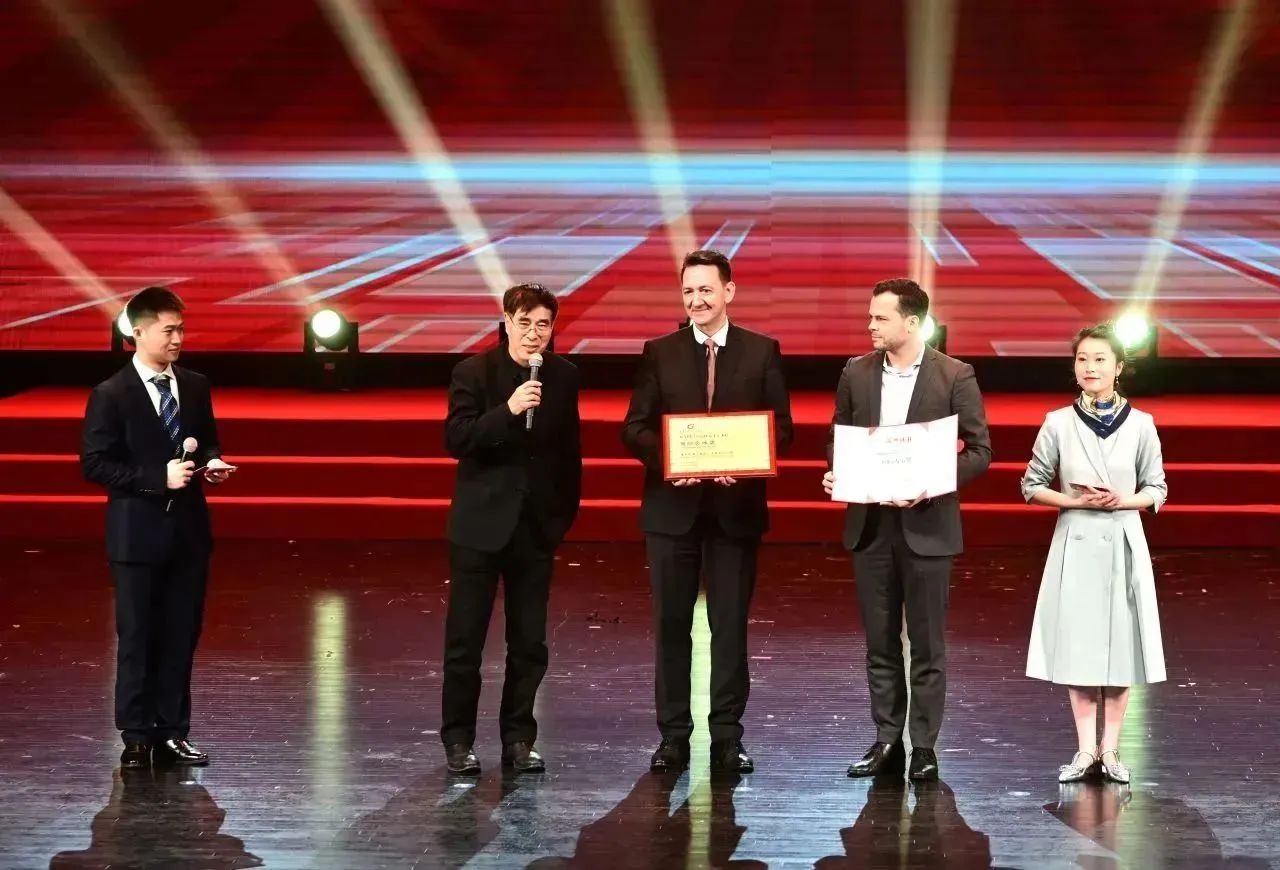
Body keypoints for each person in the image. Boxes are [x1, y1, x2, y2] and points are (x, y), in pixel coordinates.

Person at [622, 249, 793, 774]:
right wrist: (669, 463)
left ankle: (727, 738)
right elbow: (636, 427)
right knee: (672, 627)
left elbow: (782, 428)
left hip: (735, 513)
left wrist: (745, 463)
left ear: (728, 292)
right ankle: (673, 737)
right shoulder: (660, 351)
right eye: (688, 291)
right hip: (672, 513)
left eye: (705, 290)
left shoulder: (762, 351)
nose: (696, 300)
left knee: (730, 629)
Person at [822, 278, 990, 781]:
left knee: (927, 644)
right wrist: (839, 470)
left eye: (881, 317)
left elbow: (980, 451)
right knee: (880, 643)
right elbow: (838, 436)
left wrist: (931, 483)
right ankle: (887, 740)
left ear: (912, 322)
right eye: (870, 317)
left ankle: (924, 747)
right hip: (871, 526)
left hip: (927, 526)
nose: (870, 325)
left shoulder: (955, 374)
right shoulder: (855, 372)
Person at [81, 286, 234, 770]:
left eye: (181, 330)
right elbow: (95, 463)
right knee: (137, 637)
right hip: (137, 534)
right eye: (169, 330)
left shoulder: (194, 385)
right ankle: (135, 736)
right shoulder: (111, 394)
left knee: (180, 635)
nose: (177, 339)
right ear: (139, 332)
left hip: (188, 533)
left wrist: (212, 462)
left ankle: (172, 731)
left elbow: (206, 440)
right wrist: (156, 479)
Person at [440, 282, 582, 775]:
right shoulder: (473, 372)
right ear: (506, 322)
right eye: (524, 323)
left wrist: (559, 520)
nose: (533, 333)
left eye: (543, 324)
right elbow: (457, 439)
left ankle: (519, 739)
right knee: (466, 641)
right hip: (479, 527)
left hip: (534, 529)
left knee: (528, 644)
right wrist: (510, 410)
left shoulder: (563, 376)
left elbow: (569, 454)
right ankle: (459, 740)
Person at [1020, 323, 1167, 784]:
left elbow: (1157, 489)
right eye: (1082, 359)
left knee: (1121, 648)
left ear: (1119, 367)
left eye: (1100, 359)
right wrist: (1073, 501)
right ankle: (1085, 749)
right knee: (1079, 646)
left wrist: (1123, 500)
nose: (1090, 367)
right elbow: (1031, 485)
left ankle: (1112, 749)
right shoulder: (1058, 422)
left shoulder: (1141, 424)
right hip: (1077, 540)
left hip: (1122, 541)